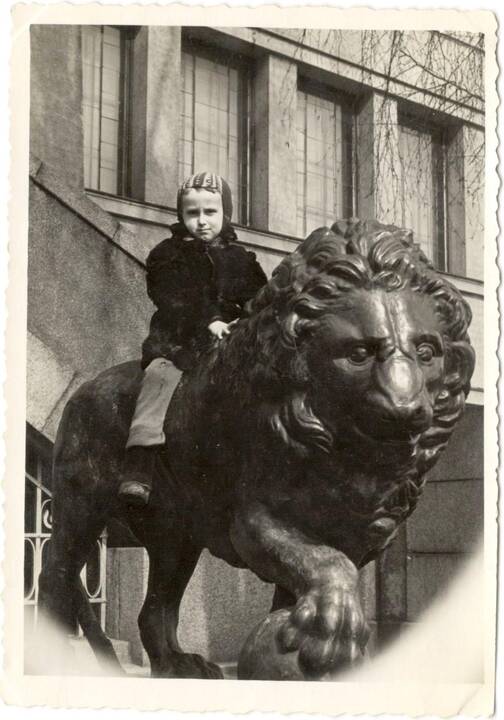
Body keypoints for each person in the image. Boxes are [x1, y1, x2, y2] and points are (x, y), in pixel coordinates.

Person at [118, 172, 268, 507]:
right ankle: (139, 466)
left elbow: (258, 297)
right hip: (178, 341)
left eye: (210, 213)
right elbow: (170, 295)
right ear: (181, 216)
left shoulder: (242, 259)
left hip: (232, 342)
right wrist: (208, 320)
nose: (201, 221)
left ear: (225, 214)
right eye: (192, 213)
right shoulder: (167, 254)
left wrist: (251, 316)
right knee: (158, 379)